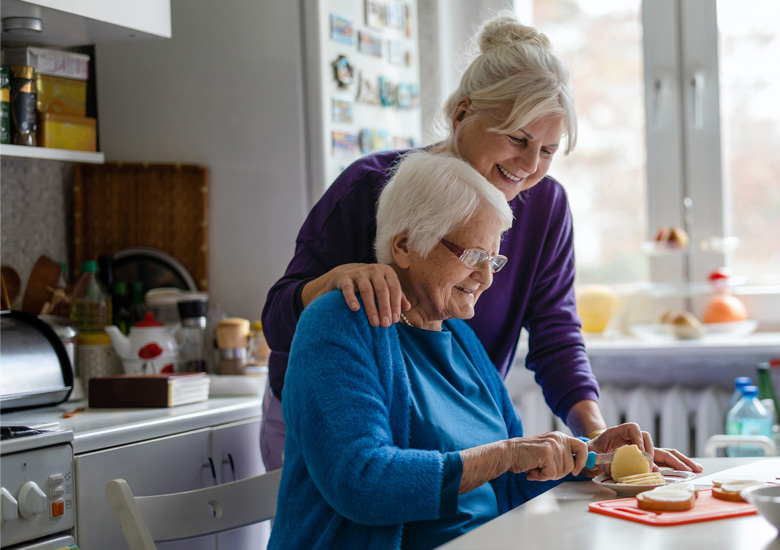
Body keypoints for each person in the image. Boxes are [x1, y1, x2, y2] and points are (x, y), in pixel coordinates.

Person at [260, 12, 701, 474]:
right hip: (335, 424)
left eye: (548, 150)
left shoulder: (544, 206)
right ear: (461, 113)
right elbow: (277, 321)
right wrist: (332, 281)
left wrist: (593, 434)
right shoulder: (370, 187)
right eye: (518, 138)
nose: (530, 165)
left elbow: (555, 333)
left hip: (445, 429)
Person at [267, 151, 656, 550]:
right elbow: (364, 481)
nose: (486, 278)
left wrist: (590, 460)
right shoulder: (339, 323)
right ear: (404, 245)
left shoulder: (461, 339)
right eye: (472, 256)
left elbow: (511, 479)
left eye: (493, 259)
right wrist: (505, 455)